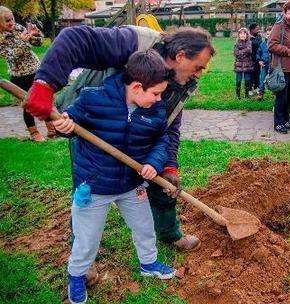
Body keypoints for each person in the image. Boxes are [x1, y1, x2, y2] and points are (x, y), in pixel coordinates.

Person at [25, 25, 215, 253]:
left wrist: (170, 165)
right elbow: (74, 37)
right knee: (87, 195)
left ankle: (169, 234)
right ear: (180, 55)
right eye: (198, 67)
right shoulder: (134, 42)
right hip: (94, 124)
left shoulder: (181, 83)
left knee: (162, 183)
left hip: (141, 128)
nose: (199, 74)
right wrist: (45, 85)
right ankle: (82, 257)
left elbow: (169, 128)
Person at [53, 49, 176, 304]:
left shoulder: (154, 110)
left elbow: (161, 140)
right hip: (95, 185)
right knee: (87, 238)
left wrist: (153, 162)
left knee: (144, 227)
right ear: (137, 86)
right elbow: (69, 122)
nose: (159, 99)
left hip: (132, 184)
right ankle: (76, 276)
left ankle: (148, 263)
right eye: (156, 93)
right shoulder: (92, 100)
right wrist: (64, 127)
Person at [0, 6, 55, 142]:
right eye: (7, 20)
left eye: (12, 18)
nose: (12, 22)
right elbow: (13, 56)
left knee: (42, 98)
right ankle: (34, 132)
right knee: (29, 104)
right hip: (19, 76)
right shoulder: (1, 39)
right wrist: (23, 42)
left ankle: (52, 129)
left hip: (35, 70)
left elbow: (37, 43)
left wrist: (35, 35)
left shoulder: (18, 28)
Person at [268, 0, 290, 134]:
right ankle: (278, 123)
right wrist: (289, 51)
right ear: (285, 13)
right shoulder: (279, 26)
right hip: (282, 69)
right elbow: (271, 45)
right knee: (281, 98)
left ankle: (286, 121)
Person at [234, 27, 253, 99]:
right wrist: (244, 52)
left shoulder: (249, 42)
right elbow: (236, 53)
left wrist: (241, 51)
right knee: (238, 80)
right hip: (239, 65)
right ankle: (237, 95)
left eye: (244, 33)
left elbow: (249, 50)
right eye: (241, 33)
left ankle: (247, 94)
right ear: (238, 35)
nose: (242, 35)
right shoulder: (236, 43)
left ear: (247, 35)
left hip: (247, 64)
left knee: (247, 80)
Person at [255, 26, 272, 100]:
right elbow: (258, 53)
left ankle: (275, 93)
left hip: (273, 65)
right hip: (265, 65)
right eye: (268, 34)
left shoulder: (275, 44)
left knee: (273, 79)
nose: (269, 36)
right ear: (265, 34)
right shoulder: (262, 44)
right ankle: (261, 93)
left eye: (271, 34)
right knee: (262, 79)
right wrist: (259, 60)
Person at [249, 23, 262, 95]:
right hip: (249, 59)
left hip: (257, 59)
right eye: (257, 29)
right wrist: (252, 41)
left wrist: (252, 40)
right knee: (250, 74)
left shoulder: (259, 36)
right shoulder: (247, 37)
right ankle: (250, 88)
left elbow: (258, 44)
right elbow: (250, 45)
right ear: (252, 30)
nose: (258, 30)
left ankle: (257, 87)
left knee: (257, 73)